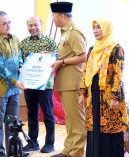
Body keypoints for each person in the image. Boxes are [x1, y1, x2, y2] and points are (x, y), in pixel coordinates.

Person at [79, 18, 127, 157]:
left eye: (99, 27)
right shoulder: (92, 49)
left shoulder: (116, 49)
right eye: (94, 27)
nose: (95, 31)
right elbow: (86, 71)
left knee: (110, 129)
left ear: (106, 28)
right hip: (93, 94)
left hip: (109, 96)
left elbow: (118, 75)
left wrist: (114, 97)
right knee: (94, 128)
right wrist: (82, 93)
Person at [50, 2, 87, 157]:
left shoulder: (74, 33)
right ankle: (68, 149)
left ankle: (77, 152)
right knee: (70, 119)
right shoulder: (65, 33)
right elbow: (68, 54)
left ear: (61, 16)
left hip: (73, 84)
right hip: (65, 83)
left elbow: (83, 56)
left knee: (77, 120)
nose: (53, 20)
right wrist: (53, 57)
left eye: (53, 16)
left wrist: (62, 62)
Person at [0, 11, 24, 157]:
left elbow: (19, 54)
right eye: (4, 23)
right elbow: (0, 68)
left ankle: (12, 150)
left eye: (9, 22)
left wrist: (20, 65)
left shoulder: (14, 38)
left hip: (13, 89)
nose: (8, 26)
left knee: (11, 122)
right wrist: (15, 81)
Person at [20, 16, 56, 153]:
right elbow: (20, 61)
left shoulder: (50, 42)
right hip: (29, 84)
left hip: (45, 85)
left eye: (36, 25)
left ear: (41, 24)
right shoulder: (23, 44)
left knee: (48, 113)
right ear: (27, 26)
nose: (33, 28)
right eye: (30, 25)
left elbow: (54, 62)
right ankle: (32, 142)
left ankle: (50, 143)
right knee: (32, 113)